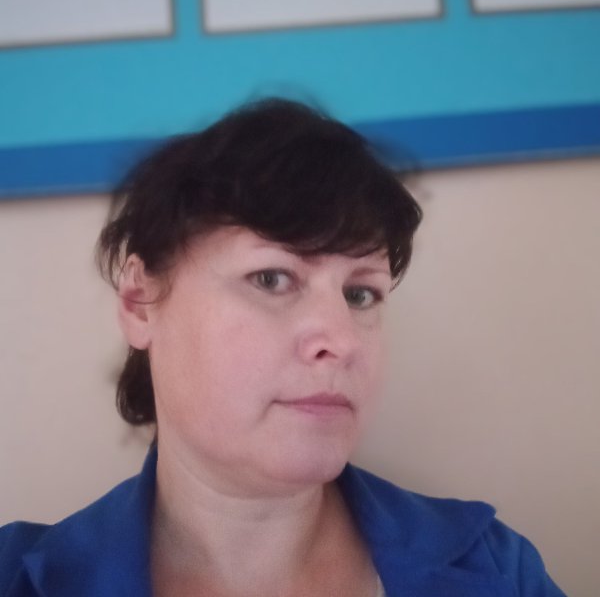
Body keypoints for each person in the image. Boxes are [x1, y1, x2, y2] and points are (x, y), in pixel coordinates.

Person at [0, 99, 565, 596]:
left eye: (360, 293)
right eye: (271, 279)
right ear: (140, 303)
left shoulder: (499, 570)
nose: (341, 339)